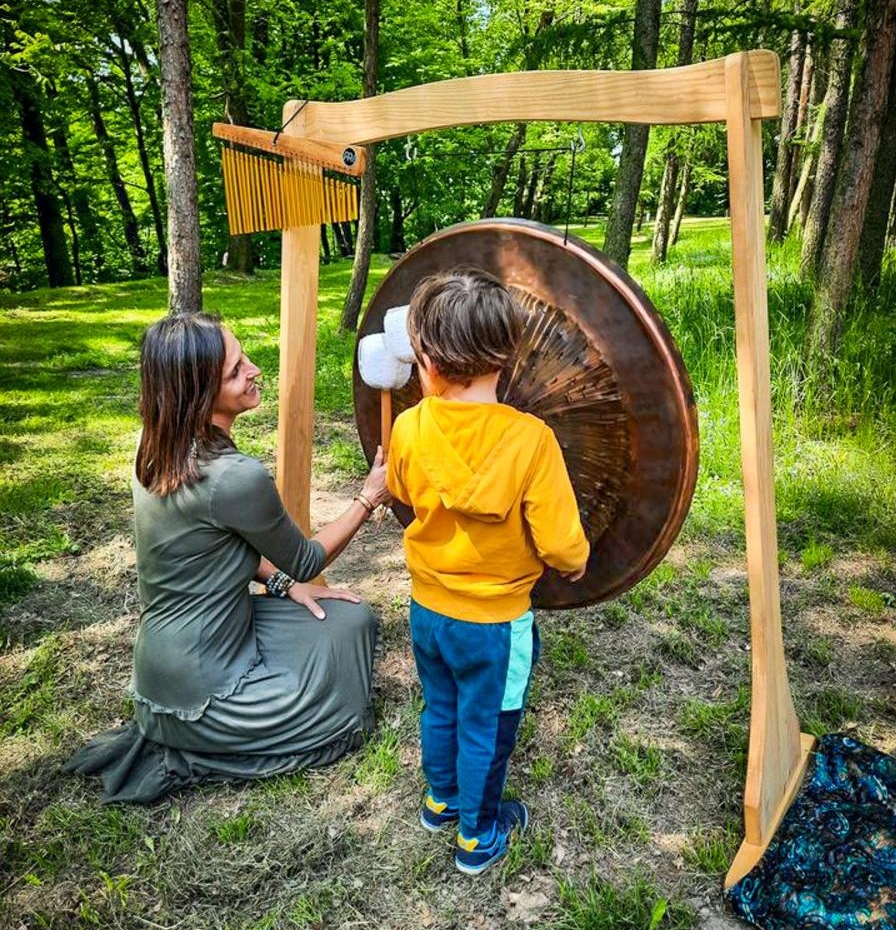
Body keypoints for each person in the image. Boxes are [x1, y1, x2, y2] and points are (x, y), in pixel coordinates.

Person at [67, 312, 390, 802]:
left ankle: (194, 730)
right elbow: (304, 558)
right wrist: (368, 498)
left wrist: (284, 586)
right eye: (237, 370)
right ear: (199, 393)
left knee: (351, 619)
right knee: (344, 719)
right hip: (200, 690)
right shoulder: (234, 477)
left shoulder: (155, 447)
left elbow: (217, 546)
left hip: (187, 649)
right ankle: (193, 747)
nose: (256, 370)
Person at [386, 270, 589, 874]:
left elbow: (399, 488)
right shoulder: (531, 441)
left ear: (424, 356)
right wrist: (576, 565)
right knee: (487, 727)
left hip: (428, 610)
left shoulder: (408, 426)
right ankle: (478, 834)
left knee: (440, 706)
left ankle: (440, 799)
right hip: (497, 625)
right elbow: (562, 545)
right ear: (506, 355)